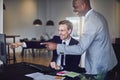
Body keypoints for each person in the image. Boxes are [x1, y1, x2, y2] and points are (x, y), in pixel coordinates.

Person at [41, 0, 117, 79]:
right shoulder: (98, 16)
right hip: (107, 63)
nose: (74, 10)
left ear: (83, 5)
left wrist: (57, 47)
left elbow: (80, 48)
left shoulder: (91, 21)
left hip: (99, 67)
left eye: (75, 7)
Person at [10, 20, 85, 73]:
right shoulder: (56, 39)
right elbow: (40, 44)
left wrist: (60, 67)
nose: (59, 33)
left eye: (62, 30)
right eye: (59, 30)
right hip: (52, 70)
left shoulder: (76, 44)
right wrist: (21, 44)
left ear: (69, 31)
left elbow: (74, 66)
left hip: (67, 71)